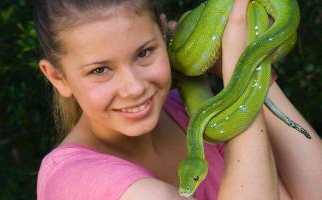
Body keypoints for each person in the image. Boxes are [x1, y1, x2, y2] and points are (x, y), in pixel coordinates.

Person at [34, 0, 322, 199]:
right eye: (100, 70)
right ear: (57, 77)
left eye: (144, 53)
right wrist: (242, 74)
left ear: (165, 36)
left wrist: (249, 54)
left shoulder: (192, 115)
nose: (133, 88)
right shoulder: (75, 182)